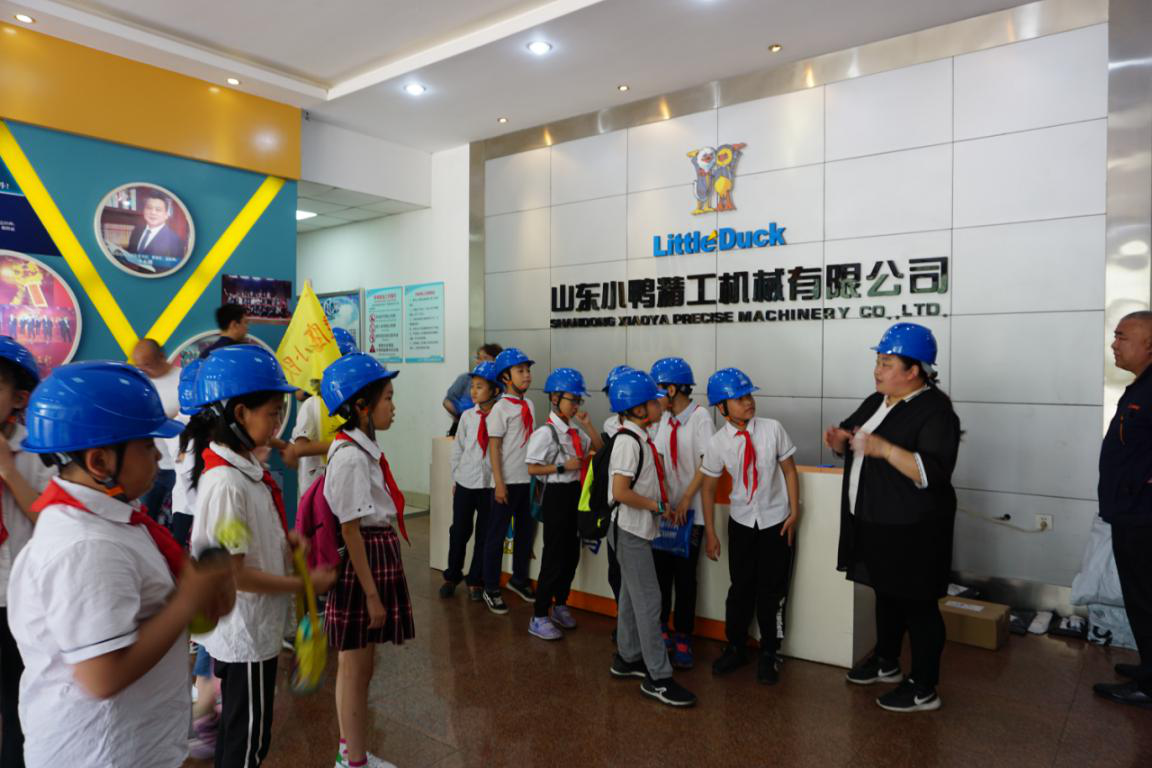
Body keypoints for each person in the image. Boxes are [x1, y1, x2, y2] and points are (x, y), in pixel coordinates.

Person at [10, 361, 234, 766]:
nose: (158, 455)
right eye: (147, 446)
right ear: (100, 462)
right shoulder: (86, 548)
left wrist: (198, 598)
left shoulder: (112, 522)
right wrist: (188, 600)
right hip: (102, 754)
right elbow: (103, 676)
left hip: (133, 743)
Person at [189, 344, 336, 766]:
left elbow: (239, 544)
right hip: (246, 635)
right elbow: (235, 575)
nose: (277, 424)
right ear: (240, 414)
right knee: (247, 746)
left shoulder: (242, 473)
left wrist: (282, 543)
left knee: (242, 736)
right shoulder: (227, 484)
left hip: (253, 631)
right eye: (273, 413)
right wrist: (302, 582)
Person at [826, 322, 961, 713]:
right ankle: (886, 660)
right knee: (886, 593)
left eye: (887, 363)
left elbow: (932, 472)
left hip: (914, 528)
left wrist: (885, 450)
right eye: (878, 362)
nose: (877, 370)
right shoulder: (878, 400)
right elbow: (854, 437)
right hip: (874, 519)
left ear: (913, 370)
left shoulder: (936, 412)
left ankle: (924, 686)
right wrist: (840, 443)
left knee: (918, 604)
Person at [320, 353, 413, 768]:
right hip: (365, 561)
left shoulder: (360, 450)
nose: (393, 406)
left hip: (372, 554)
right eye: (387, 397)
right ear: (362, 405)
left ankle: (350, 752)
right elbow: (350, 531)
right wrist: (372, 595)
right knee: (356, 668)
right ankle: (354, 761)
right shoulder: (352, 457)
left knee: (357, 665)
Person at [701, 368, 799, 685]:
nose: (748, 402)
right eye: (739, 398)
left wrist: (794, 512)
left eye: (749, 395)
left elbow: (789, 471)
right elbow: (707, 489)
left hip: (776, 521)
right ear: (721, 407)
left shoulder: (772, 429)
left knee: (772, 590)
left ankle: (770, 651)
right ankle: (736, 646)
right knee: (740, 587)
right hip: (742, 522)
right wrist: (711, 532)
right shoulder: (718, 443)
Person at [605, 369, 696, 707]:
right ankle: (658, 678)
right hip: (629, 530)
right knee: (649, 600)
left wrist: (658, 507)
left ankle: (628, 656)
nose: (661, 405)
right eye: (654, 402)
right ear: (638, 409)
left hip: (634, 529)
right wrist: (656, 506)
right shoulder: (628, 443)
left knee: (632, 596)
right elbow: (620, 492)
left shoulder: (638, 437)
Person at [1094, 311, 1152, 708]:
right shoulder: (1141, 387)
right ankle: (1149, 667)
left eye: (1122, 337)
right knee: (1139, 595)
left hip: (1144, 516)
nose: (1114, 344)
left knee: (1147, 597)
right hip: (1130, 511)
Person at [0, 337, 53, 767]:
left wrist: (8, 469)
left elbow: (49, 520)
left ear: (18, 398)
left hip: (18, 601)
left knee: (18, 700)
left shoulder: (34, 451)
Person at [525, 368, 603, 640]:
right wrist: (562, 467)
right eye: (573, 400)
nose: (576, 405)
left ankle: (560, 604)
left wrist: (588, 424)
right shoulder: (545, 433)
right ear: (555, 398)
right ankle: (539, 615)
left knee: (571, 555)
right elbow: (532, 469)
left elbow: (600, 449)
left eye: (579, 400)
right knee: (554, 556)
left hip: (574, 495)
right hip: (556, 497)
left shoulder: (574, 431)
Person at [651, 357, 714, 669]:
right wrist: (665, 501)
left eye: (658, 390)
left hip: (692, 514)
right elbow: (660, 460)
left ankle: (684, 635)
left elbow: (708, 463)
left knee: (686, 578)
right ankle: (661, 627)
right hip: (666, 512)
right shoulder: (664, 419)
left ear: (672, 389)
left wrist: (686, 498)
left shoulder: (700, 417)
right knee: (660, 574)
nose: (654, 397)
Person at [481, 347, 537, 614]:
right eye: (520, 371)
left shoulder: (529, 405)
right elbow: (494, 448)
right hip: (506, 482)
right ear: (505, 377)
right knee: (496, 536)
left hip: (528, 481)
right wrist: (499, 483)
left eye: (528, 370)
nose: (527, 375)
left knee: (525, 534)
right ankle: (490, 587)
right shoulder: (500, 409)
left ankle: (519, 579)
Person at [441, 361, 502, 601]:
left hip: (489, 486)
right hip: (466, 483)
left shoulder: (501, 415)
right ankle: (452, 575)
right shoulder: (467, 416)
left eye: (479, 387)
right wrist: (456, 477)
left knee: (484, 535)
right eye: (472, 386)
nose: (473, 391)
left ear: (495, 390)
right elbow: (458, 449)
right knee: (459, 531)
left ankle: (475, 580)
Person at [284, 327, 359, 500]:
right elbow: (300, 447)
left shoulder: (351, 405)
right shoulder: (312, 405)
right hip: (316, 492)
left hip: (342, 485)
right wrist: (342, 445)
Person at [132, 337, 183, 525]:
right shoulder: (139, 383)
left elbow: (195, 418)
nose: (142, 370)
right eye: (138, 366)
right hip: (151, 466)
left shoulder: (182, 379)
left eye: (147, 364)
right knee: (145, 520)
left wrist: (167, 419)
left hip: (180, 466)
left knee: (180, 520)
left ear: (161, 356)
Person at [443, 344, 502, 436]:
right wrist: (461, 415)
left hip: (490, 427)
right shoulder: (465, 378)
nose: (480, 361)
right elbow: (447, 401)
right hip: (463, 425)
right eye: (478, 358)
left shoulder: (501, 384)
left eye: (485, 358)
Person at [128, 195, 186, 263]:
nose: (153, 212)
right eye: (149, 208)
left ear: (166, 215)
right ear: (144, 211)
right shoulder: (136, 231)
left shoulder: (175, 241)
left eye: (158, 210)